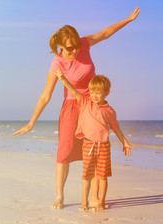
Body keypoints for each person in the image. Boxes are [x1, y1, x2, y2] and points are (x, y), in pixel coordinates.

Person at [13, 7, 140, 209]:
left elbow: (105, 33)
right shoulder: (57, 62)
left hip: (93, 106)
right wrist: (31, 123)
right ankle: (60, 196)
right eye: (69, 48)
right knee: (64, 150)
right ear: (60, 46)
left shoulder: (84, 44)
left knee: (94, 152)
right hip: (72, 106)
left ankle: (95, 198)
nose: (74, 51)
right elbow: (46, 95)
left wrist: (128, 19)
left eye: (75, 47)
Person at [54, 67, 134, 211]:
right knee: (87, 176)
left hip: (103, 146)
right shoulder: (85, 102)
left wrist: (125, 142)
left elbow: (116, 128)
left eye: (98, 92)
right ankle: (84, 203)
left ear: (106, 93)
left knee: (102, 176)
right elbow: (73, 91)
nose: (94, 95)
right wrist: (63, 78)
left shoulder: (110, 111)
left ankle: (101, 202)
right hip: (88, 144)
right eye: (92, 92)